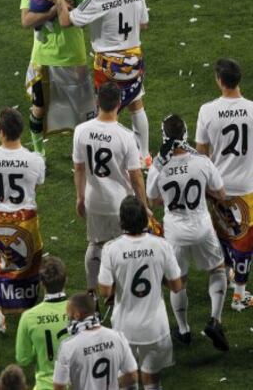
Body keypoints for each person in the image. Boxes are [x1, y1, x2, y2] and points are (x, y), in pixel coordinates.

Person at [53, 0, 151, 168]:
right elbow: (143, 23)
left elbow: (66, 20)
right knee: (137, 104)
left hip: (109, 65)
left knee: (103, 113)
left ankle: (96, 157)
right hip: (134, 62)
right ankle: (144, 156)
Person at [146, 114, 229, 351]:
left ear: (164, 137)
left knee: (178, 281)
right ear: (185, 135)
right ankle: (215, 320)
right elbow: (221, 193)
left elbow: (152, 200)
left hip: (175, 232)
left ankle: (183, 330)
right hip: (202, 227)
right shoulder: (201, 161)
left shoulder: (158, 168)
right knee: (217, 269)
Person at [72, 80, 149, 300]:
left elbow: (78, 168)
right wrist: (143, 206)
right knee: (125, 247)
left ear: (97, 102)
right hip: (121, 205)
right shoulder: (125, 136)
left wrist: (80, 197)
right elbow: (136, 176)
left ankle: (91, 292)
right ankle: (121, 292)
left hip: (94, 200)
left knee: (95, 244)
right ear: (118, 104)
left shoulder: (81, 131)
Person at [99, 195, 182, 390]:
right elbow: (177, 286)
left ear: (121, 221)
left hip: (124, 326)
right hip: (155, 326)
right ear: (145, 219)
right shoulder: (161, 245)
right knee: (152, 377)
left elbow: (105, 290)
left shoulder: (111, 249)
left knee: (126, 377)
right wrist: (158, 277)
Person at [21, 0, 95, 157]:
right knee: (39, 107)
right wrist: (54, 10)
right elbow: (26, 21)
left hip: (73, 56)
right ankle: (39, 153)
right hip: (42, 56)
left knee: (83, 111)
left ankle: (82, 155)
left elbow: (72, 19)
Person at [0, 107, 45, 332]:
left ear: (0, 132)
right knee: (30, 262)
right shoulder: (34, 160)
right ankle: (27, 310)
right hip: (25, 218)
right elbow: (38, 183)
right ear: (21, 131)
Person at [196, 58, 253, 311]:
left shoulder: (207, 110)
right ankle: (239, 294)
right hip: (247, 186)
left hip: (217, 186)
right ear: (238, 79)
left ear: (220, 81)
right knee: (244, 241)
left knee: (224, 233)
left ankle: (229, 276)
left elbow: (201, 153)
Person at [53, 292, 138, 390]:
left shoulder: (68, 346)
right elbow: (132, 376)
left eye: (69, 315)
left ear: (76, 315)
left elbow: (59, 387)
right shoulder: (118, 337)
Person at [16, 256, 70, 390]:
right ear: (65, 281)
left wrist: (40, 347)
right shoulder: (80, 312)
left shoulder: (29, 317)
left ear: (42, 283)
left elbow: (23, 359)